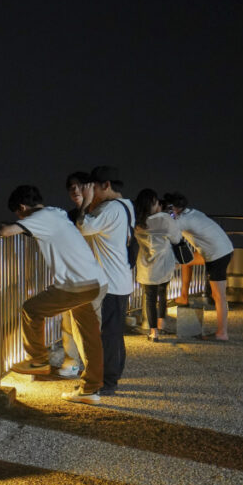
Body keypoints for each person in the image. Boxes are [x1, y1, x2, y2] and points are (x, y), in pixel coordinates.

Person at [0, 185, 107, 405]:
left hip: (75, 285)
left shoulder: (40, 217)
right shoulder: (54, 213)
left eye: (18, 215)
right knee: (90, 336)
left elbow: (7, 231)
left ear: (21, 208)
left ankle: (38, 359)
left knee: (31, 309)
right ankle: (91, 390)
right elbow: (17, 228)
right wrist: (2, 224)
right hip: (93, 281)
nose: (20, 219)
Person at [76, 166, 134, 396]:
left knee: (108, 335)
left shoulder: (110, 209)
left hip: (112, 282)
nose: (92, 192)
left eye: (94, 187)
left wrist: (85, 203)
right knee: (112, 334)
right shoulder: (125, 205)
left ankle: (108, 382)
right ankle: (109, 378)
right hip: (117, 280)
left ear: (106, 185)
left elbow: (84, 227)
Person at [164, 192, 234, 341]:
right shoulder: (192, 213)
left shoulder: (183, 220)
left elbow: (165, 231)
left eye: (168, 208)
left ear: (174, 208)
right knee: (185, 261)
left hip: (217, 255)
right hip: (222, 249)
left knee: (218, 295)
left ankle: (222, 333)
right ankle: (183, 296)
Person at [54, 171, 93, 378]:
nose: (75, 191)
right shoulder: (69, 216)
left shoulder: (100, 213)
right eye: (71, 188)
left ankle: (94, 368)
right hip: (72, 275)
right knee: (68, 321)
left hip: (95, 278)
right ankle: (72, 362)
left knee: (88, 325)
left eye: (79, 186)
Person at [133, 189, 181, 341]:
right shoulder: (164, 219)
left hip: (146, 266)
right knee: (162, 292)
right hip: (164, 263)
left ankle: (154, 332)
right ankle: (162, 323)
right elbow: (176, 238)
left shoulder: (137, 221)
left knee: (150, 298)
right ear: (153, 203)